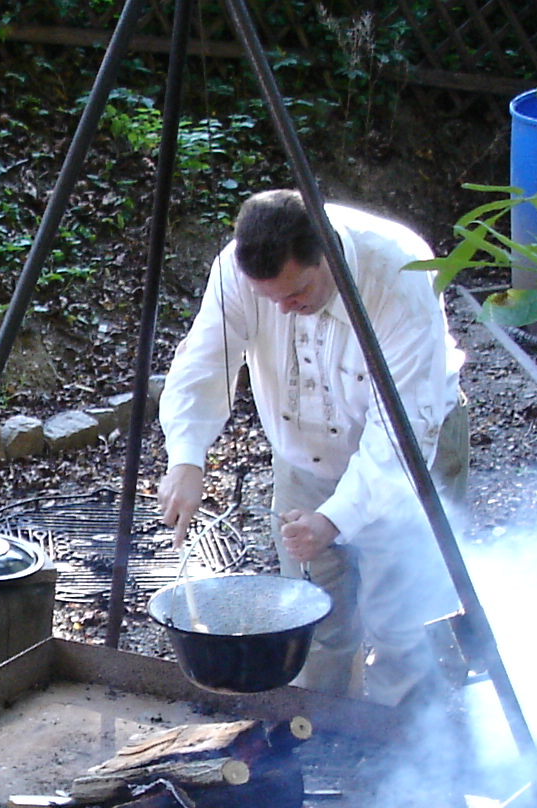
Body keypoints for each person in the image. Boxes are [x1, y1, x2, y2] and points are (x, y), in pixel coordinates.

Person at [156, 189, 468, 704]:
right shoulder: (237, 272)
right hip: (303, 457)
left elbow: (403, 428)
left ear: (327, 254)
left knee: (402, 623)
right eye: (270, 299)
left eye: (296, 292)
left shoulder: (398, 274)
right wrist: (186, 456)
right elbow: (204, 362)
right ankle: (318, 730)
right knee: (311, 617)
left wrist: (335, 518)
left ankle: (405, 738)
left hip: (408, 458)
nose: (285, 309)